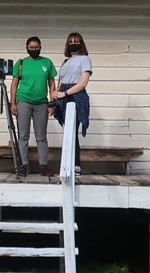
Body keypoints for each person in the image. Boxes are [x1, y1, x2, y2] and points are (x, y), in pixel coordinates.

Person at [10, 35, 57, 178]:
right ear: (26, 48)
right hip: (23, 101)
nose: (34, 49)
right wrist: (13, 102)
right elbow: (14, 84)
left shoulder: (47, 63)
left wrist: (52, 103)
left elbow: (52, 83)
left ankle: (43, 165)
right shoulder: (21, 63)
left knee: (41, 136)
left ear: (40, 47)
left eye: (36, 47)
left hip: (41, 103)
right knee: (23, 135)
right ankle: (23, 165)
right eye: (31, 47)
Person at [52, 32, 93, 177]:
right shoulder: (65, 62)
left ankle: (76, 165)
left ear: (81, 43)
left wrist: (66, 93)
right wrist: (57, 94)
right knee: (67, 131)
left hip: (75, 96)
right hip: (63, 96)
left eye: (76, 40)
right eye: (71, 41)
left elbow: (83, 83)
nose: (73, 43)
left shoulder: (85, 59)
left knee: (73, 131)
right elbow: (61, 81)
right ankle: (67, 164)